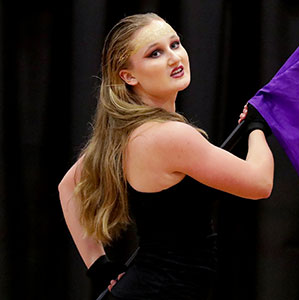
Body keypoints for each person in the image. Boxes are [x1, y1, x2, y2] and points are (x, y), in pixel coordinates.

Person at [58, 12, 274, 300]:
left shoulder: (122, 132)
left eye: (175, 44)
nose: (174, 58)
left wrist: (99, 267)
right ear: (128, 75)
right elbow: (260, 183)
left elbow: (67, 186)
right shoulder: (169, 136)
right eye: (155, 53)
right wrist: (258, 126)